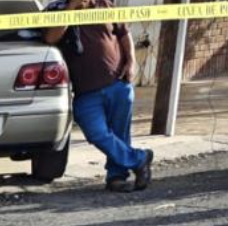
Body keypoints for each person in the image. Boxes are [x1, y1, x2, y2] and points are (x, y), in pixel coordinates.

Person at [45, 0, 152, 191]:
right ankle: (139, 159)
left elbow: (123, 33)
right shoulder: (56, 10)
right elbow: (51, 38)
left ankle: (117, 178)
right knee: (97, 133)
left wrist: (131, 61)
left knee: (120, 133)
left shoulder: (104, 4)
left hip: (117, 83)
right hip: (85, 92)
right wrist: (71, 9)